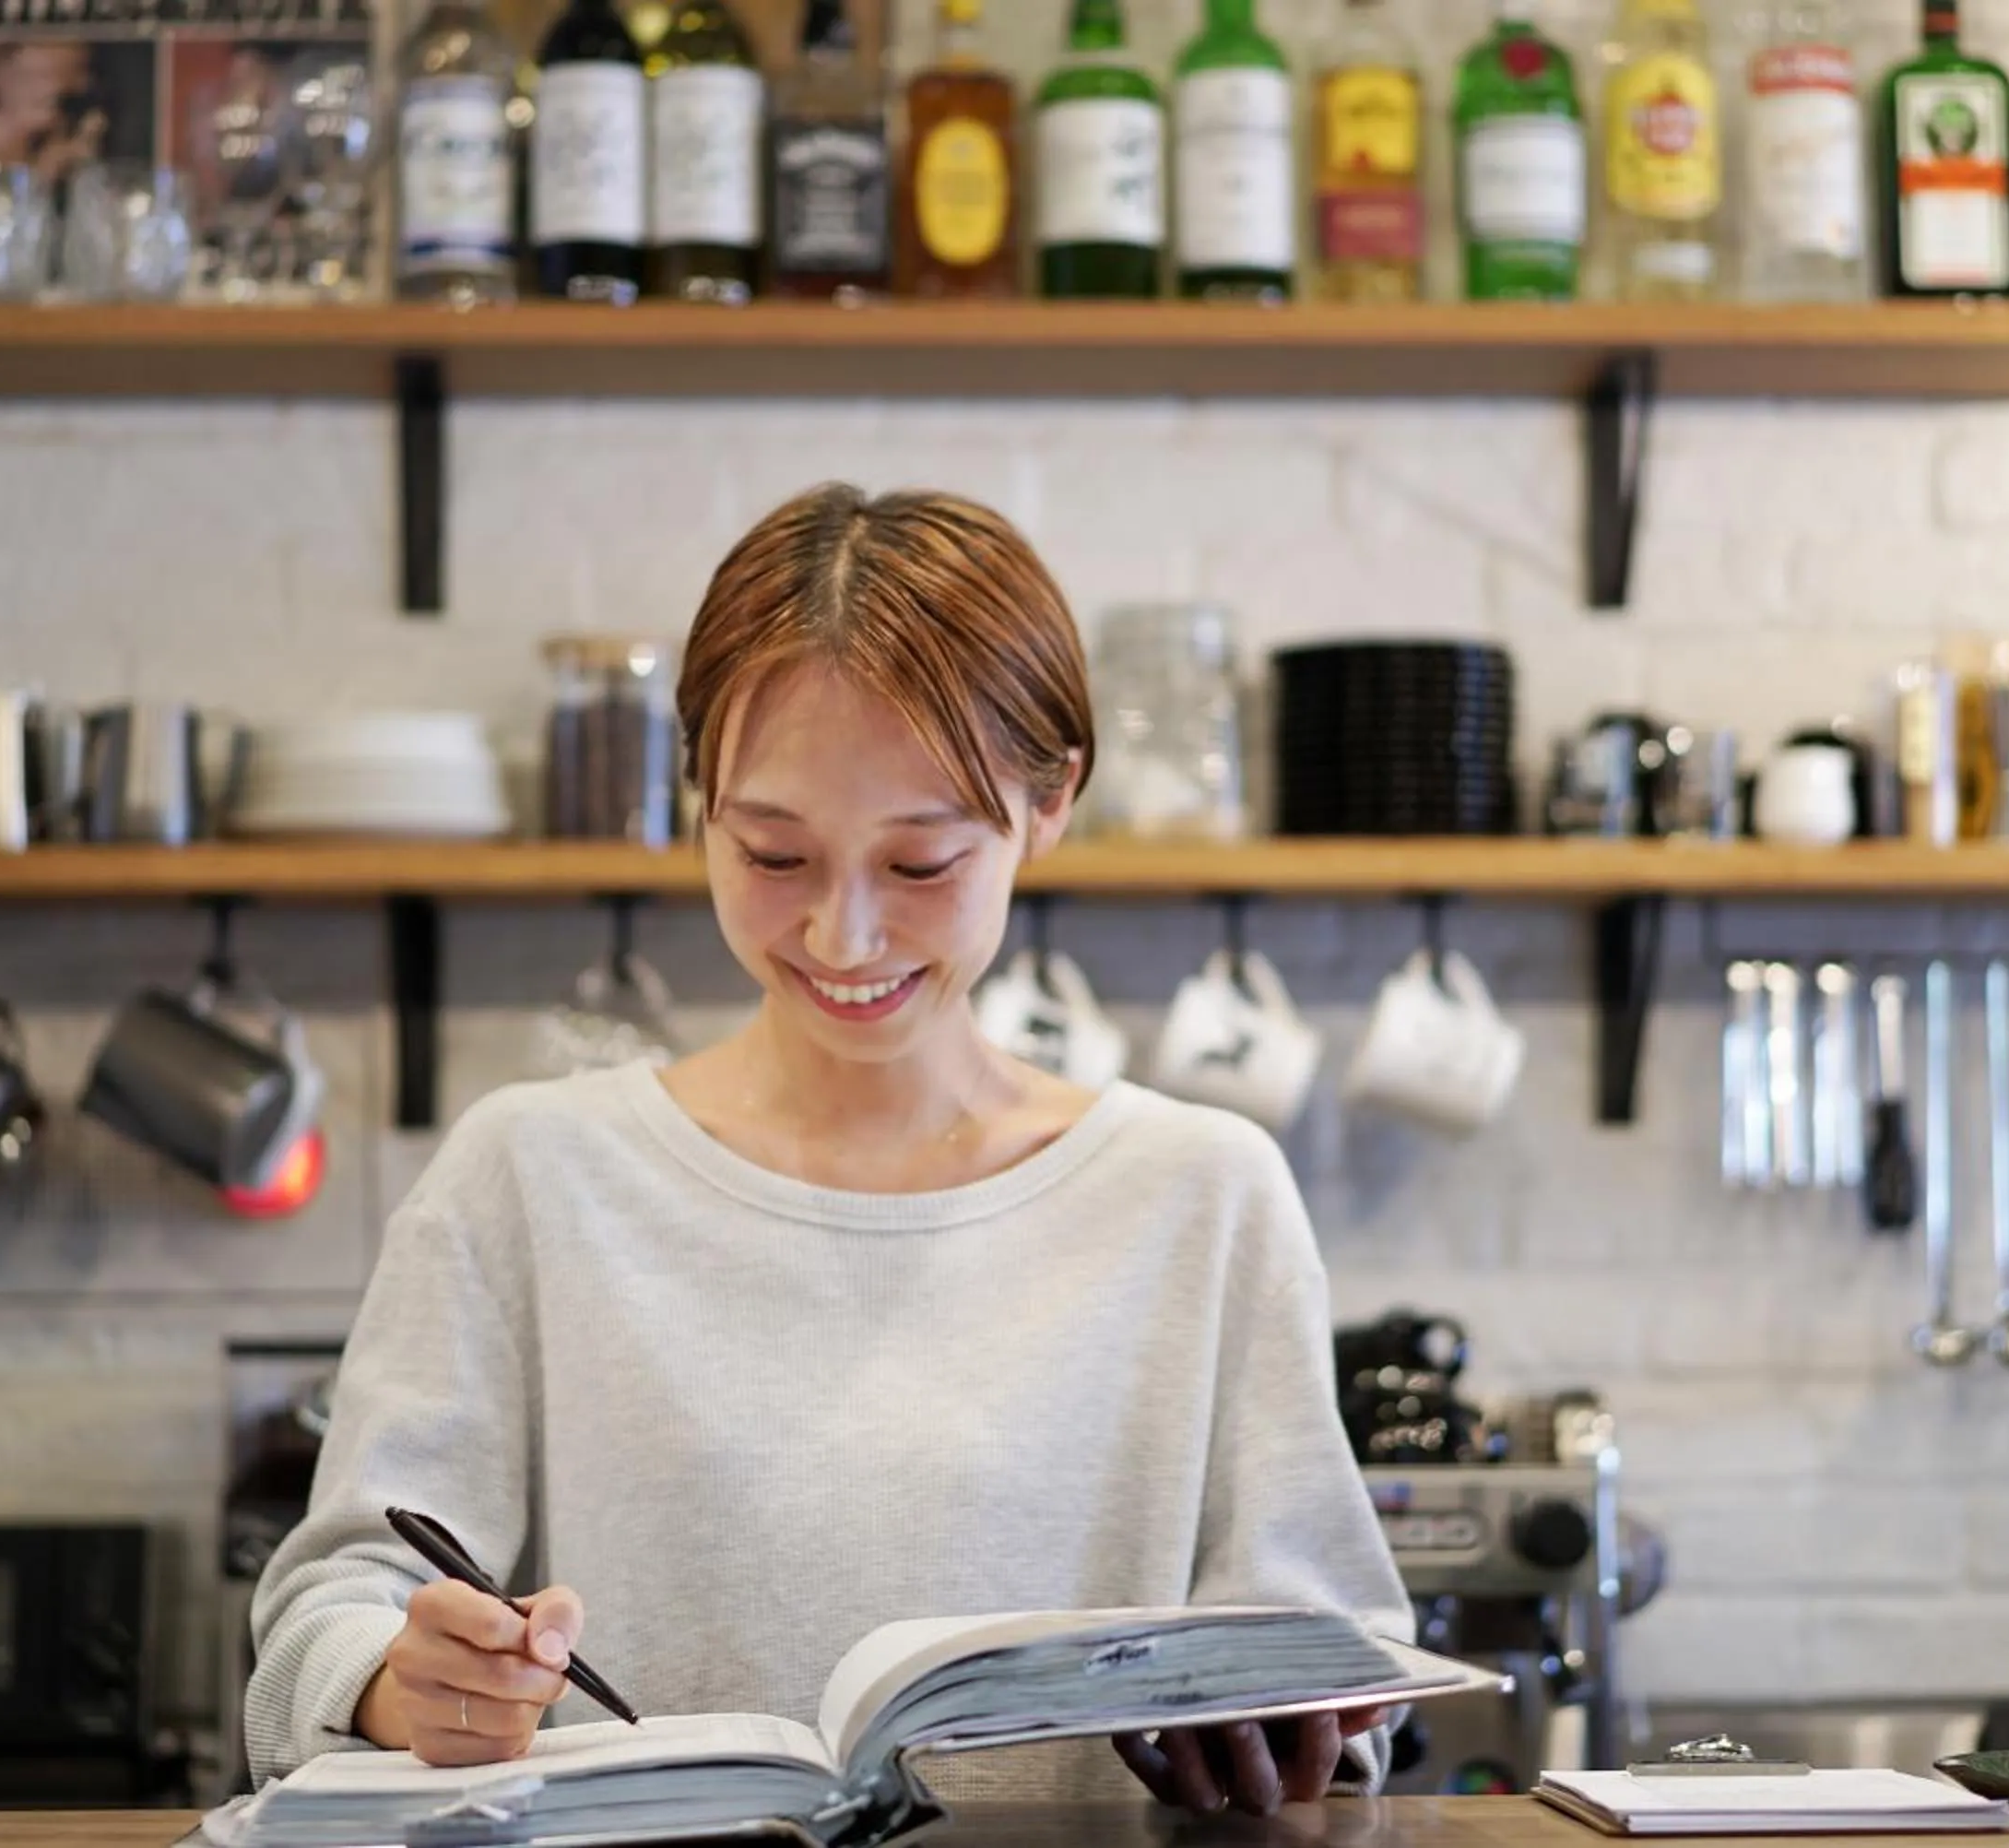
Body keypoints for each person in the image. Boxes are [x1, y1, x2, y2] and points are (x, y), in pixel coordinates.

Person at [246, 486, 1412, 1816]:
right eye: (775, 853)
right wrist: (401, 1682)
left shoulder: (1204, 1193)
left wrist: (1291, 1726)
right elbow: (318, 1626)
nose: (843, 938)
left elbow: (1341, 1666)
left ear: (1049, 803)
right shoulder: (529, 1172)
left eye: (920, 865)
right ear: (699, 802)